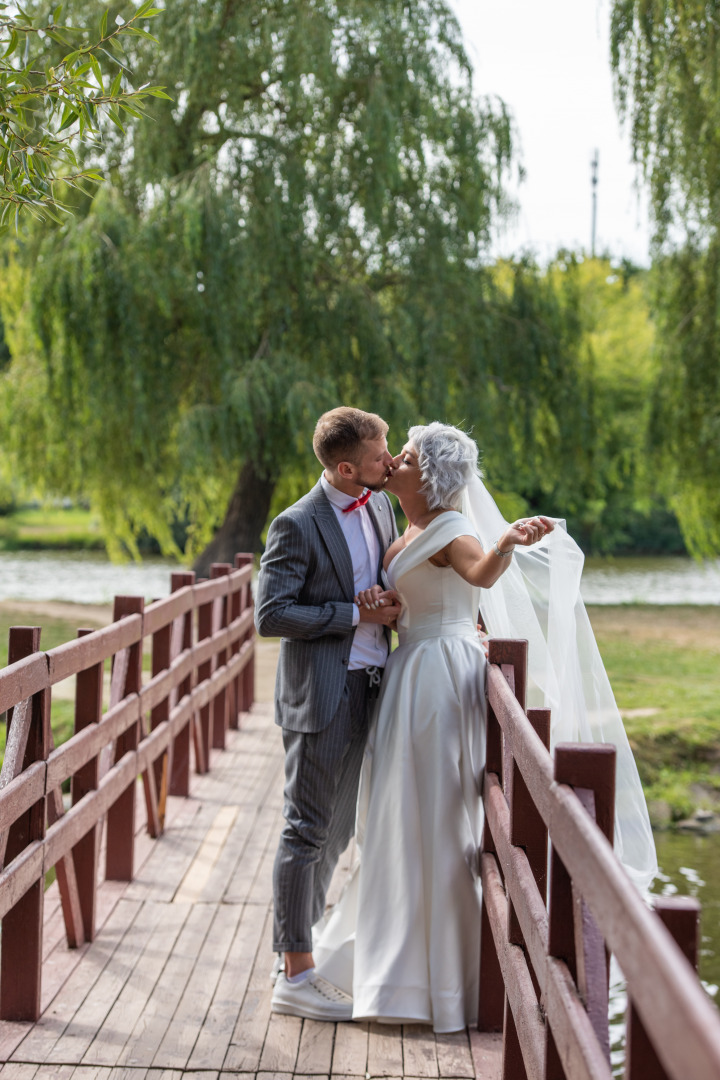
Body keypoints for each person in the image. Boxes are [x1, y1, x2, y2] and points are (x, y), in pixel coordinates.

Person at [310, 421, 657, 1032]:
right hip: (407, 674)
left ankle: (444, 981)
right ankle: (393, 965)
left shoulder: (452, 527)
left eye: (408, 456)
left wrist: (508, 542)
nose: (394, 460)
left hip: (440, 679)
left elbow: (478, 575)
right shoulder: (403, 527)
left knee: (440, 816)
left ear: (433, 476)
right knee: (397, 811)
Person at [254, 406, 400, 1022]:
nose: (389, 460)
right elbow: (271, 615)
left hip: (371, 686)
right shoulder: (296, 525)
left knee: (337, 834)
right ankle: (296, 975)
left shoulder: (382, 506)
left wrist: (383, 600)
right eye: (378, 455)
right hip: (322, 695)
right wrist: (353, 613)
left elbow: (383, 582)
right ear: (347, 468)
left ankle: (297, 949)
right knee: (306, 830)